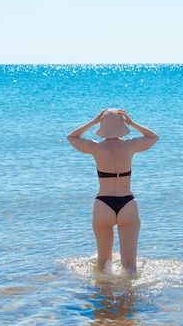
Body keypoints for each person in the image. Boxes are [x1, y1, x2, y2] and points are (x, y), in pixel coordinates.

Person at [67, 109, 158, 274]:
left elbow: (72, 137)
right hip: (127, 203)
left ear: (102, 127)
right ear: (122, 126)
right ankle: (130, 298)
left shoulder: (95, 148)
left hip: (103, 204)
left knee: (103, 263)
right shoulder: (130, 145)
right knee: (130, 265)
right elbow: (153, 137)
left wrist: (93, 122)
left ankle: (104, 297)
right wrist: (132, 123)